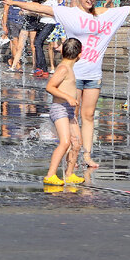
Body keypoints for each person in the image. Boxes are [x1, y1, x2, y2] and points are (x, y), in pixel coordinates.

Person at [0, 0, 130, 167]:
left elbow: (128, 10)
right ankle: (71, 153)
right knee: (72, 116)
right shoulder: (68, 13)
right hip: (73, 76)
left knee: (88, 116)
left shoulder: (103, 14)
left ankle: (86, 155)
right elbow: (41, 8)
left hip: (94, 76)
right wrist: (14, 2)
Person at [44, 37, 85, 186]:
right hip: (59, 109)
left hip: (68, 110)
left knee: (77, 143)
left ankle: (69, 174)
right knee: (65, 142)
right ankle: (50, 175)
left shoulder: (69, 68)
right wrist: (68, 97)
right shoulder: (63, 69)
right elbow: (50, 87)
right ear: (80, 54)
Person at [1, 0, 27, 64]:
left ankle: (12, 61)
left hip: (21, 22)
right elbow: (5, 12)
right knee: (15, 43)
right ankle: (17, 65)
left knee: (19, 45)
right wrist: (4, 25)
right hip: (12, 22)